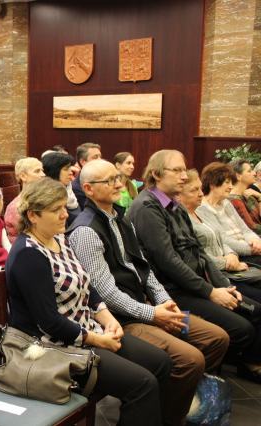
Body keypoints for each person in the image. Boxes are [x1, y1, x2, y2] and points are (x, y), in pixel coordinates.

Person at [68, 160, 229, 426]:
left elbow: (143, 268)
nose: (119, 184)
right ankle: (167, 417)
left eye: (118, 178)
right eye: (109, 180)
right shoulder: (85, 231)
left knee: (216, 338)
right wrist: (152, 314)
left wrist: (165, 301)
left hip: (146, 305)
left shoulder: (120, 218)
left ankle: (168, 405)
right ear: (89, 189)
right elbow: (105, 292)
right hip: (121, 318)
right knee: (190, 360)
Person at [6, 177, 172, 426]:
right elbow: (50, 322)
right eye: (56, 210)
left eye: (64, 206)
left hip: (85, 329)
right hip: (55, 347)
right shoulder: (29, 254)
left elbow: (87, 284)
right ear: (33, 215)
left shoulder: (59, 238)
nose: (65, 214)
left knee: (161, 362)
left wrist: (109, 319)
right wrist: (98, 340)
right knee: (143, 384)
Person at [128, 150, 261, 384]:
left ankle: (211, 375)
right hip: (170, 291)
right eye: (177, 170)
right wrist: (210, 293)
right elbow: (168, 262)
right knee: (242, 329)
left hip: (194, 284)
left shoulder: (174, 204)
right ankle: (194, 382)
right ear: (156, 174)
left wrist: (223, 286)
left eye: (183, 169)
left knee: (253, 312)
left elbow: (199, 250)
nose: (184, 175)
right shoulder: (147, 207)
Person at [178, 169, 250, 273]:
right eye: (194, 190)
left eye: (200, 188)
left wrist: (232, 255)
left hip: (228, 265)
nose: (201, 194)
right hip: (212, 272)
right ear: (178, 195)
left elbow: (220, 240)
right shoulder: (180, 219)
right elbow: (196, 255)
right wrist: (227, 264)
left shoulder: (201, 212)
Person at [196, 162, 261, 265]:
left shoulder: (226, 203)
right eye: (227, 182)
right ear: (212, 184)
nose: (231, 187)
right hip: (235, 255)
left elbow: (245, 229)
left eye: (231, 183)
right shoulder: (203, 208)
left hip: (249, 248)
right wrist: (252, 249)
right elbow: (223, 240)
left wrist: (255, 240)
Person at [4, 157, 45, 243]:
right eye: (37, 171)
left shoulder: (43, 199)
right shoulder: (16, 207)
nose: (43, 174)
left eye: (42, 171)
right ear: (23, 176)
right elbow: (34, 239)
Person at [42, 151, 79, 226]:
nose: (71, 173)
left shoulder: (69, 190)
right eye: (66, 169)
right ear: (54, 171)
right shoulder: (47, 198)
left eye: (70, 168)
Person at [228, 158, 261, 235]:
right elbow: (252, 227)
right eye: (249, 171)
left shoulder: (249, 195)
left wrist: (260, 197)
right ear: (238, 176)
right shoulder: (234, 200)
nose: (254, 173)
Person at [72, 142, 102, 207]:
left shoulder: (104, 179)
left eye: (100, 156)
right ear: (83, 162)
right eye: (95, 157)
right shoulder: (76, 187)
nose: (100, 160)